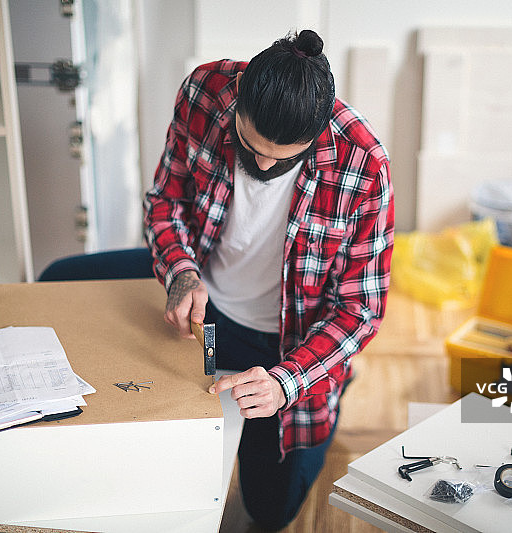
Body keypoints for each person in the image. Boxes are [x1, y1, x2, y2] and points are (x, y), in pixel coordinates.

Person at [144, 29, 394, 530]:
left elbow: (361, 310)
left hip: (290, 345)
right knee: (60, 278)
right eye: (250, 144)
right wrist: (181, 272)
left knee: (270, 511)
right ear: (238, 101)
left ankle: (336, 378)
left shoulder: (365, 162)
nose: (262, 164)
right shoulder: (204, 90)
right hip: (208, 307)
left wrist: (289, 381)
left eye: (283, 157)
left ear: (319, 131)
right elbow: (167, 201)